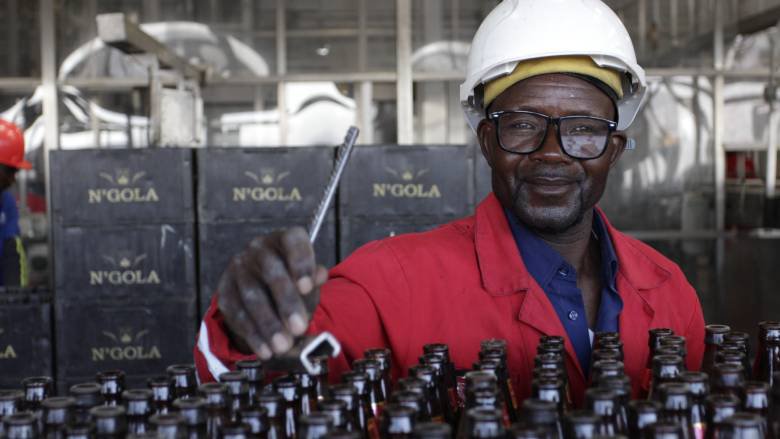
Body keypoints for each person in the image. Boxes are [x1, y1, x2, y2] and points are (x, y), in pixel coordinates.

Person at [194, 0, 704, 406]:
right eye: (523, 125)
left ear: (613, 151)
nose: (552, 154)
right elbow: (261, 375)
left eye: (583, 131)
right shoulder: (387, 285)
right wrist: (248, 327)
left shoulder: (670, 293)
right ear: (486, 140)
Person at [0, 120, 30, 287]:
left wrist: (14, 300)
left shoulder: (7, 203)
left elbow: (12, 253)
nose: (13, 179)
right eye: (10, 171)